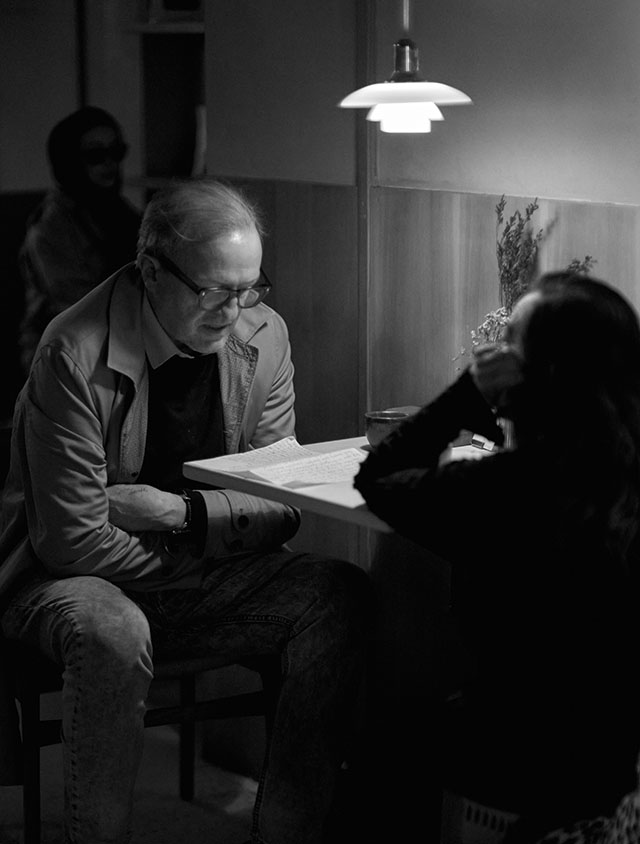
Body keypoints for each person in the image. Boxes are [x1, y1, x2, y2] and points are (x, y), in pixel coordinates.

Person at [0, 178, 370, 844]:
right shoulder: (71, 351)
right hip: (69, 580)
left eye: (250, 287)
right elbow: (72, 543)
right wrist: (220, 535)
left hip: (190, 559)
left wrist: (178, 515)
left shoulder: (265, 335)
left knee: (339, 594)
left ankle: (289, 832)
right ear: (150, 272)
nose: (235, 311)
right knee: (114, 631)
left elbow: (283, 503)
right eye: (215, 291)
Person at [354, 272, 640, 842]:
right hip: (614, 766)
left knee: (381, 743)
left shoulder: (503, 489)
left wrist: (468, 394)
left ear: (541, 376)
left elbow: (378, 477)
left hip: (512, 759)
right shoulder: (622, 480)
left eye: (510, 342)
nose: (494, 351)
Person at [19, 105, 141, 373]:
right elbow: (79, 309)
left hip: (117, 338)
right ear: (71, 161)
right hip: (65, 352)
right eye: (96, 155)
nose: (110, 163)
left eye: (117, 152)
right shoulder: (50, 228)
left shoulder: (117, 209)